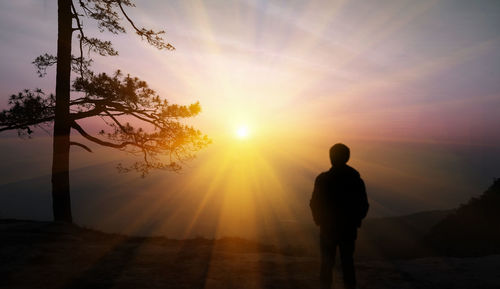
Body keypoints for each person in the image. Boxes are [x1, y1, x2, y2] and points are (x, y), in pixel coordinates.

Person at [310, 143, 369, 289]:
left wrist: (319, 220)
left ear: (331, 157)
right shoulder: (356, 180)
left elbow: (314, 203)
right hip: (348, 229)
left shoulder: (322, 179)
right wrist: (356, 221)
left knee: (326, 262)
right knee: (347, 262)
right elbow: (363, 205)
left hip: (327, 228)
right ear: (347, 157)